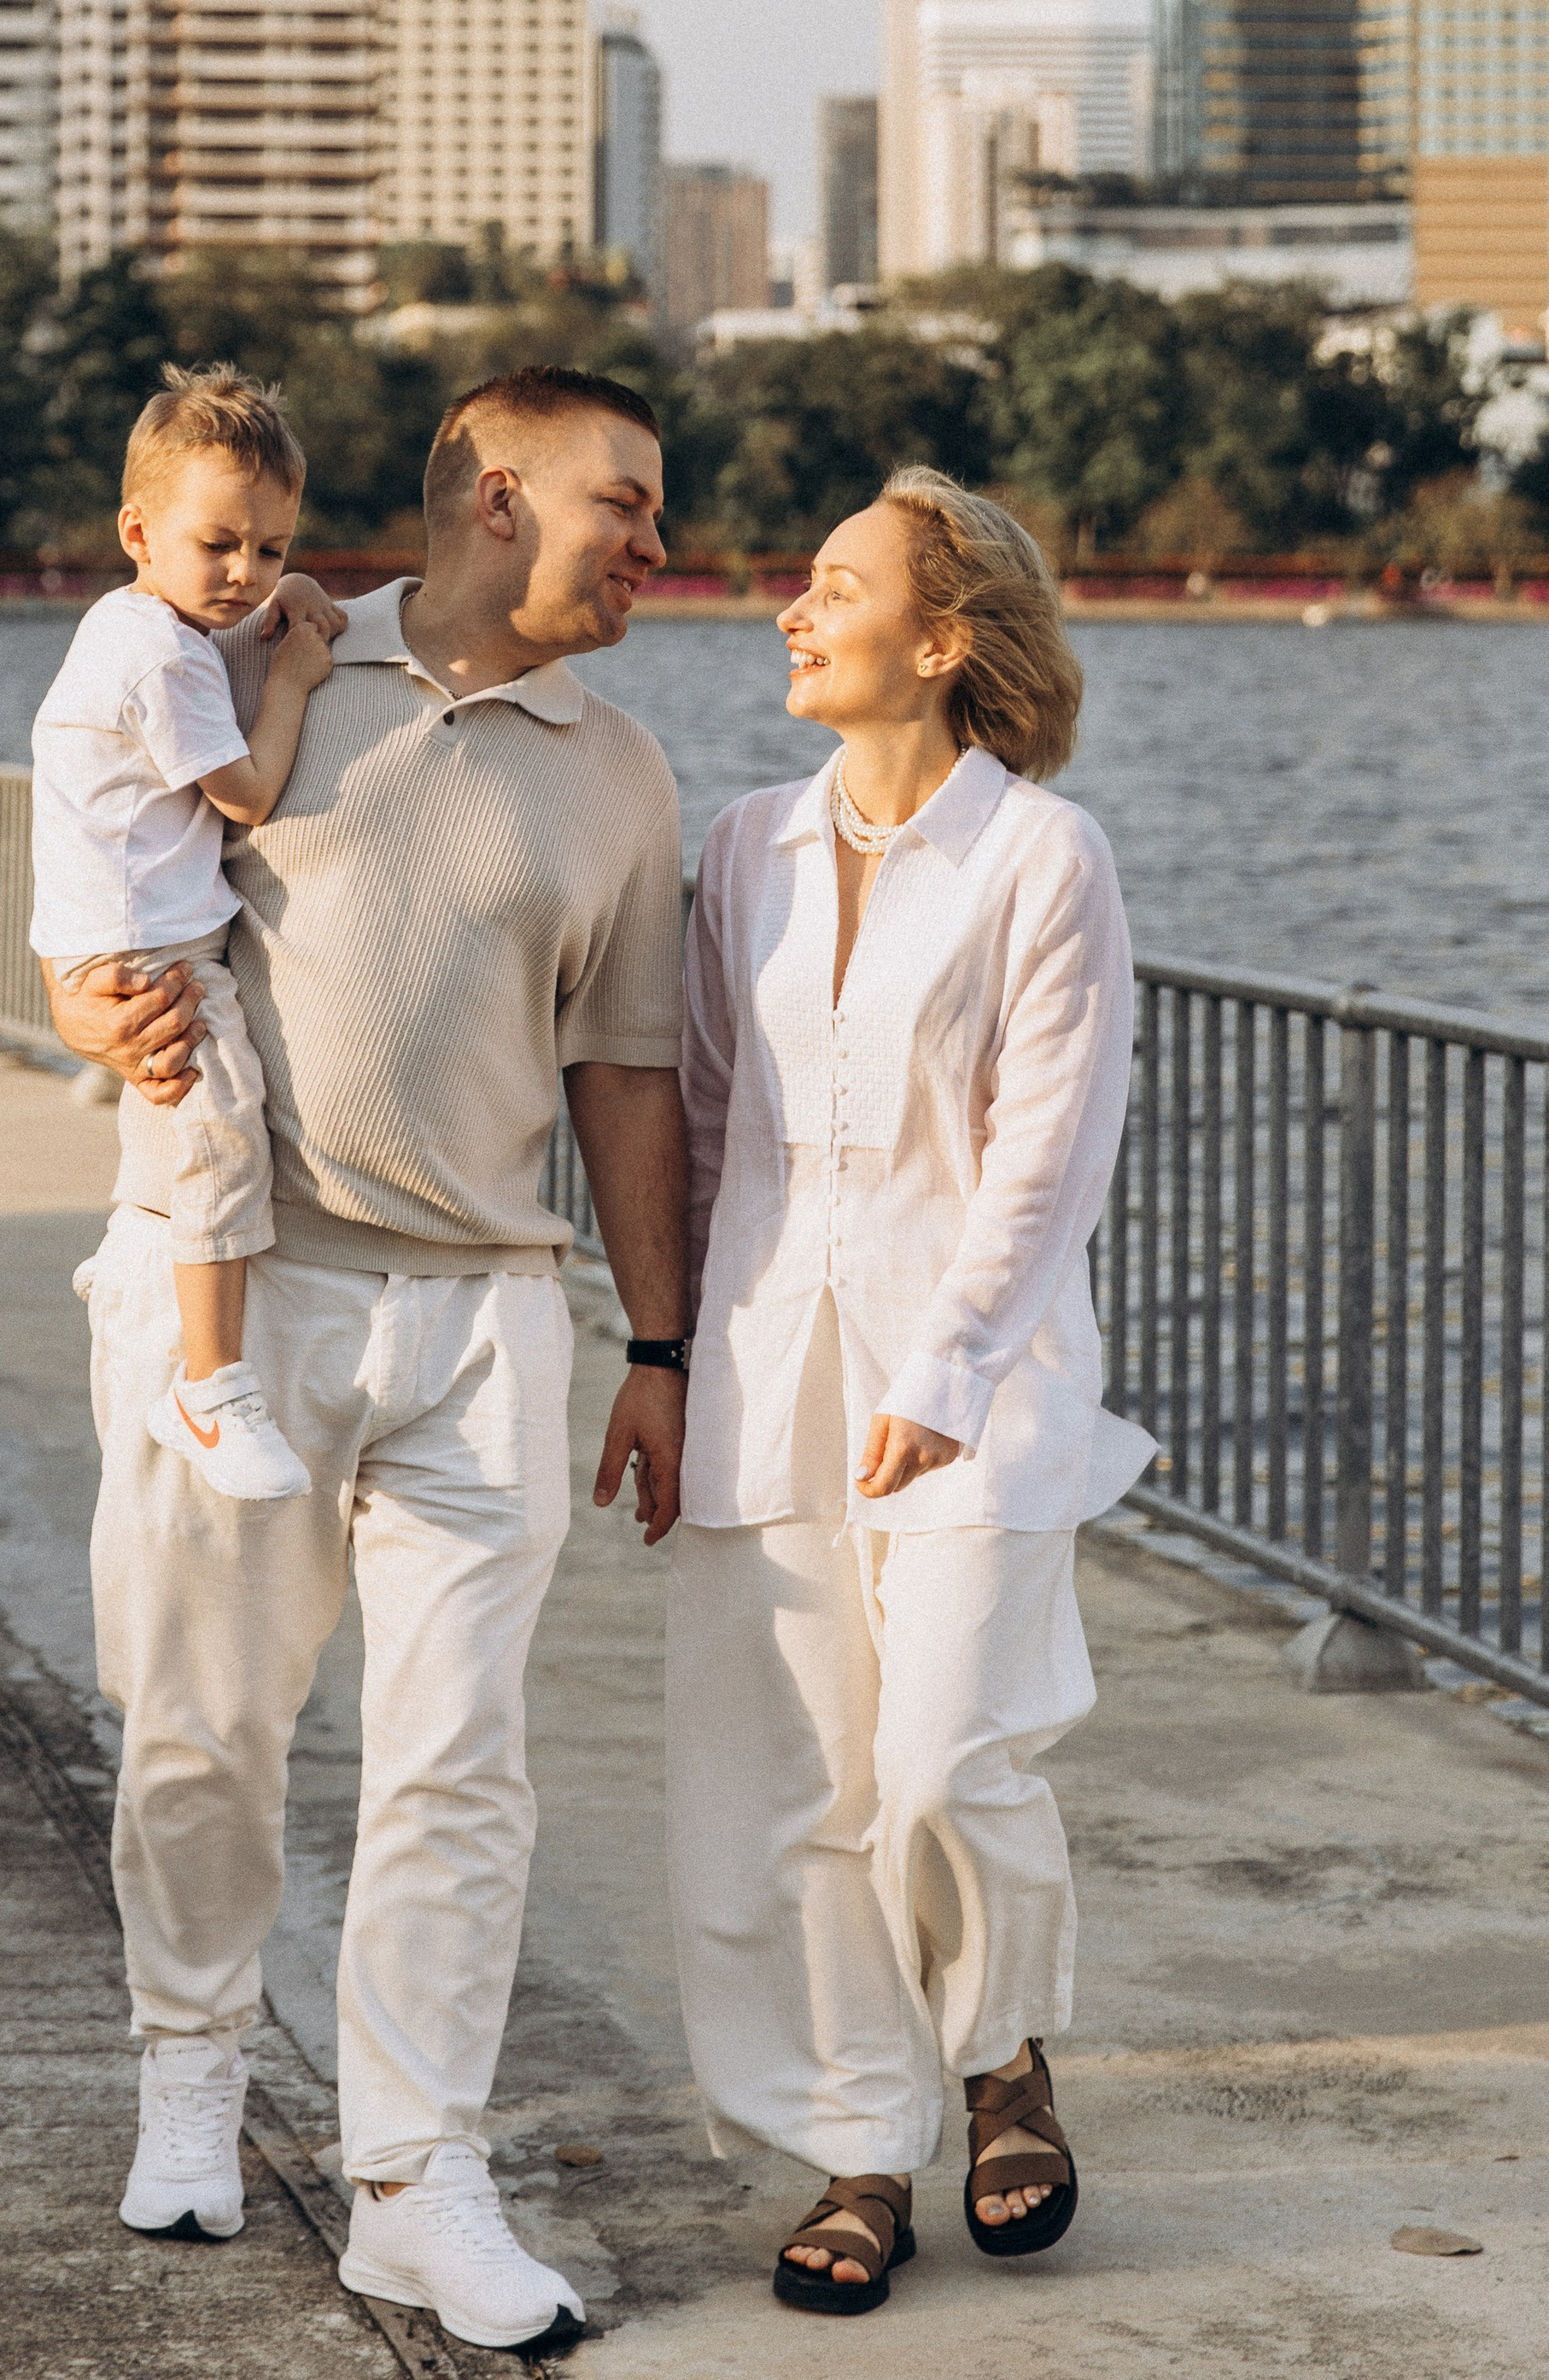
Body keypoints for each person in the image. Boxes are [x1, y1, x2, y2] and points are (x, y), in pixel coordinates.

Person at [45, 366, 691, 2359]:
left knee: (456, 1770)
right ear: (497, 499)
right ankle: (191, 2077)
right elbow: (92, 906)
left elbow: (629, 1076)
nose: (658, 547)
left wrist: (652, 1342)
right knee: (199, 1730)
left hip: (486, 1319)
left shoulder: (623, 772)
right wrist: (87, 1015)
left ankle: (418, 2183)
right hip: (230, 1282)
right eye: (627, 507)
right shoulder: (232, 660)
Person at [666, 465, 1152, 2318]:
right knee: (792, 1787)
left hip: (982, 1377)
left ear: (936, 644)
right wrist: (668, 1365)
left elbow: (1049, 1150)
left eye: (832, 585)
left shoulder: (1043, 855)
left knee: (944, 1755)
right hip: (766, 1363)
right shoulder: (740, 847)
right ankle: (858, 2144)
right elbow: (713, 1122)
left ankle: (1003, 2050)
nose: (790, 611)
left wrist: (945, 1369)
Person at [31, 364, 344, 1501]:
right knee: (219, 1135)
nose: (245, 576)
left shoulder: (137, 623)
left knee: (197, 1137)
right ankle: (209, 1384)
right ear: (137, 531)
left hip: (119, 932)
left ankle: (180, 1342)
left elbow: (236, 641)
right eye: (221, 546)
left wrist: (282, 597)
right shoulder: (162, 656)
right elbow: (250, 792)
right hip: (148, 952)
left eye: (270, 548)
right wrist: (302, 672)